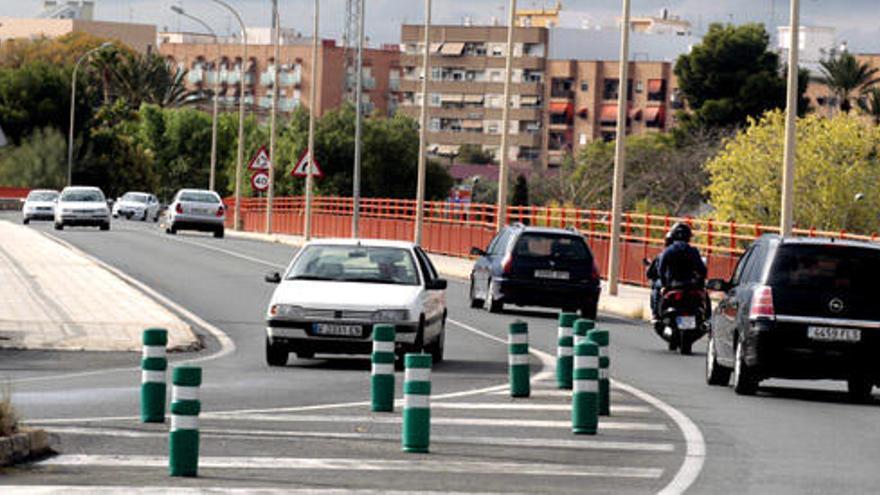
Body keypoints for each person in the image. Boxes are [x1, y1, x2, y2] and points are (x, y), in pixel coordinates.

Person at [653, 223, 709, 327]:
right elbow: (702, 270)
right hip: (691, 285)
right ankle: (707, 318)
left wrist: (665, 285)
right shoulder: (693, 251)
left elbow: (661, 269)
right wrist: (700, 282)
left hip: (672, 286)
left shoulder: (668, 251)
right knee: (705, 295)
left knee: (656, 288)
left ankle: (655, 315)